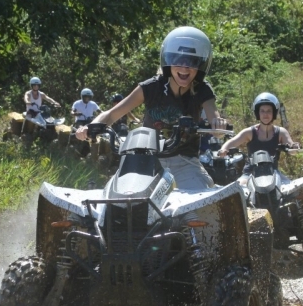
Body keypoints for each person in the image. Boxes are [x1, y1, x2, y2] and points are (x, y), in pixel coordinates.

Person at [75, 26, 228, 190]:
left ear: (201, 65)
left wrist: (218, 126)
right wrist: (90, 127)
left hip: (185, 162)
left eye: (192, 62)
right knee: (124, 197)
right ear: (168, 61)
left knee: (202, 196)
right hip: (146, 159)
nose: (184, 68)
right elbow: (112, 114)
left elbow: (215, 120)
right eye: (178, 60)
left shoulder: (202, 89)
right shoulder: (151, 87)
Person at [218, 92, 300, 185]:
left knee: (293, 189)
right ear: (257, 113)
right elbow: (232, 142)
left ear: (274, 112)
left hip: (274, 173)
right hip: (250, 173)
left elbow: (291, 148)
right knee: (237, 189)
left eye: (269, 111)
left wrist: (294, 147)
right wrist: (223, 149)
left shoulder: (281, 132)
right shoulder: (249, 132)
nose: (265, 114)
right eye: (262, 111)